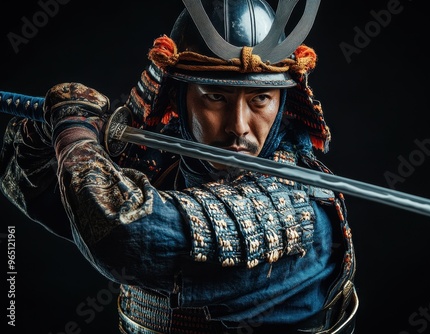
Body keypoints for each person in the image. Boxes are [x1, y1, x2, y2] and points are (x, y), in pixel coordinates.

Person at [0, 0, 357, 333]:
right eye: (215, 97)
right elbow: (37, 184)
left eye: (260, 98)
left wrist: (75, 133)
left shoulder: (294, 212)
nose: (239, 127)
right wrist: (45, 128)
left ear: (283, 104)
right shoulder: (161, 160)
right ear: (178, 98)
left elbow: (121, 233)